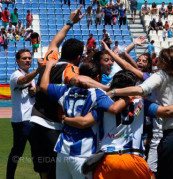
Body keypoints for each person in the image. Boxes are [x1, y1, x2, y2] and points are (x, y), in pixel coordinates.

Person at [30, 6, 107, 179]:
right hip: (52, 124)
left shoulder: (51, 58)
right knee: (54, 172)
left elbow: (55, 42)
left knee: (43, 171)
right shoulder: (70, 69)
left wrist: (70, 22)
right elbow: (78, 80)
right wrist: (107, 89)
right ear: (78, 57)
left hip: (34, 120)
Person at [108, 49, 173, 179]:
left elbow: (141, 89)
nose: (156, 61)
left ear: (165, 62)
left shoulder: (161, 75)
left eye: (159, 58)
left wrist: (114, 92)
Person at [39, 60, 131, 179]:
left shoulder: (66, 89)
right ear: (97, 77)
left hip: (62, 150)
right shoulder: (98, 94)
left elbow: (43, 86)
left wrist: (48, 67)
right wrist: (130, 95)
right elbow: (113, 109)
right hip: (83, 153)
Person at [7, 49, 43, 179]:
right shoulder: (15, 75)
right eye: (24, 58)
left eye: (29, 58)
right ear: (17, 61)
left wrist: (36, 91)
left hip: (33, 119)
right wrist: (38, 70)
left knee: (38, 152)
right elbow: (22, 80)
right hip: (21, 121)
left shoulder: (31, 77)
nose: (27, 60)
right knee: (17, 152)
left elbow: (30, 92)